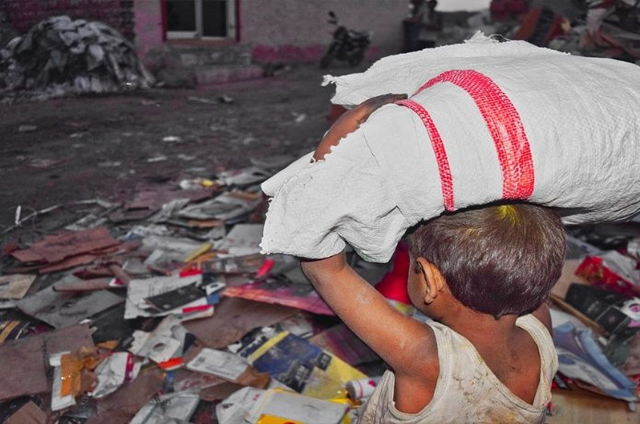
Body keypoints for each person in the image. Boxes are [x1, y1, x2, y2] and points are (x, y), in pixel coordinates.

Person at [301, 95, 564, 423]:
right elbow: (529, 242)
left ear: (429, 279)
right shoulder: (539, 329)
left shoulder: (426, 358)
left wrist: (353, 120)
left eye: (412, 262)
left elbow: (324, 268)